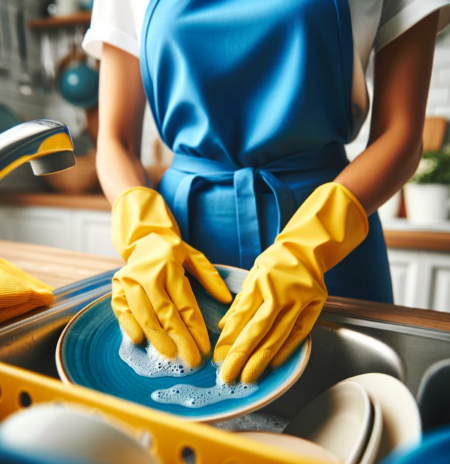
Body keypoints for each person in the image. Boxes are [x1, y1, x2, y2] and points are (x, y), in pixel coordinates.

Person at [83, 0, 449, 385]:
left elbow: (402, 135)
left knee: (351, 411)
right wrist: (144, 232)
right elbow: (115, 140)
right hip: (182, 244)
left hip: (330, 250)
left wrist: (309, 247)